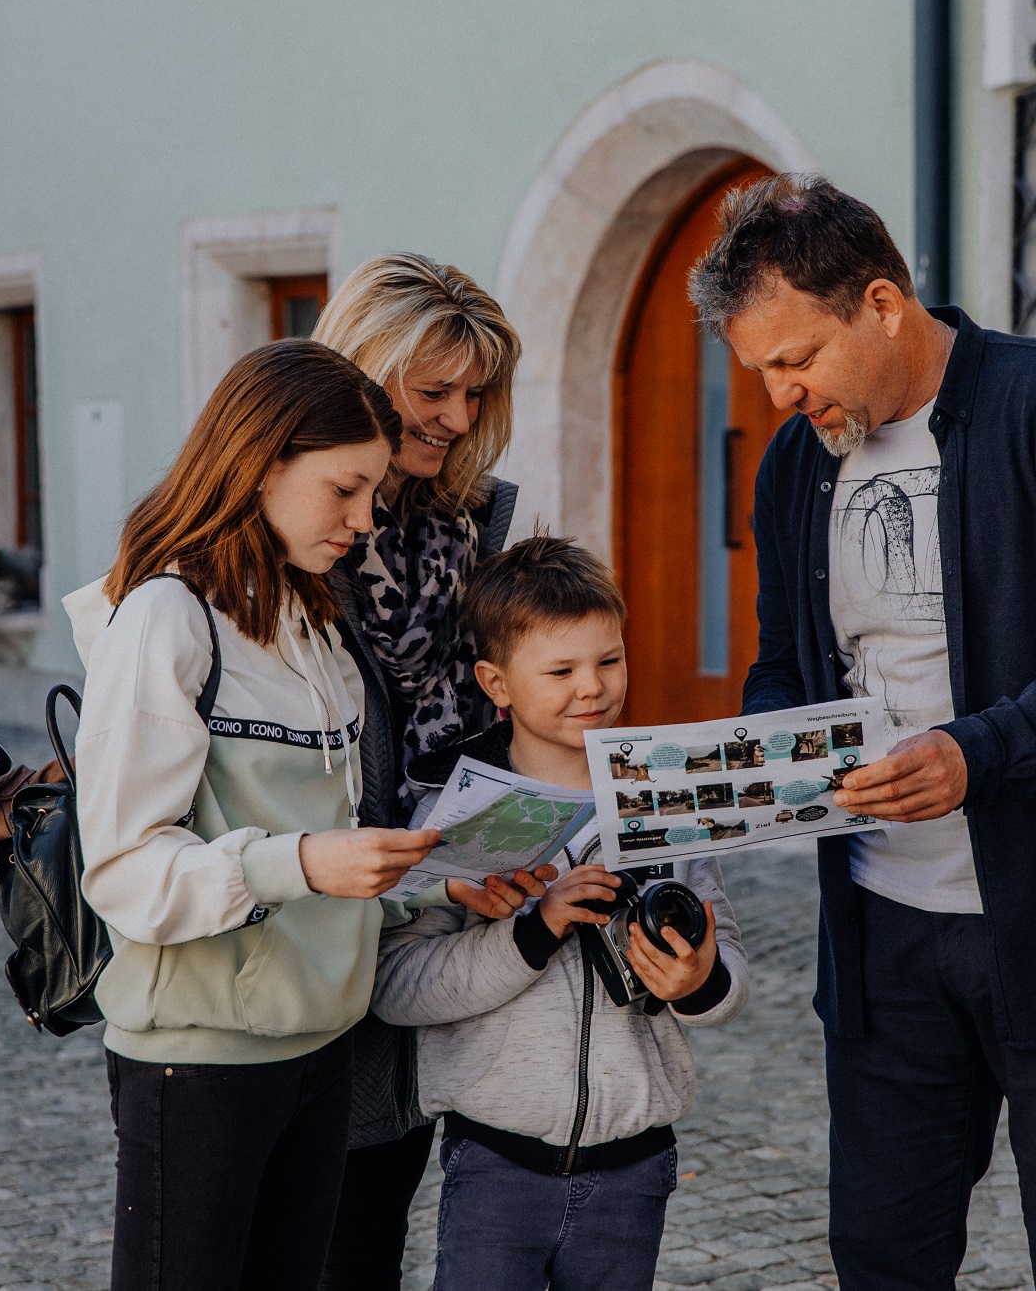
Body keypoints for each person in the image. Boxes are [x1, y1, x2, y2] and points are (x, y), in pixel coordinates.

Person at [687, 174, 1036, 1290]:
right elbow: (787, 666)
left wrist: (974, 752)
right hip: (882, 937)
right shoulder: (795, 464)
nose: (781, 392)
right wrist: (759, 760)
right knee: (881, 1257)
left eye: (795, 358)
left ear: (880, 303)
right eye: (759, 372)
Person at [62, 339, 442, 1291]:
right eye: (344, 490)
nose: (363, 522)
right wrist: (305, 863)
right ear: (263, 462)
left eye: (373, 496)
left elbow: (323, 850)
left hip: (319, 1048)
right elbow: (124, 873)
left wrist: (440, 889)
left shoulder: (310, 612)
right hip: (197, 1062)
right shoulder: (163, 618)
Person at [372, 537, 749, 1291]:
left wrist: (698, 977)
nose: (593, 687)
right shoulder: (450, 814)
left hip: (637, 1165)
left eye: (609, 660)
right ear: (495, 682)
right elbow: (397, 985)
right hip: (494, 1165)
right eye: (562, 670)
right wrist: (532, 932)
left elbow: (727, 965)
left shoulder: (662, 798)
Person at [311, 253, 545, 1290]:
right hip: (311, 922)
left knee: (377, 1215)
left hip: (435, 922)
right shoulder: (287, 539)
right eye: (431, 389)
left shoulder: (473, 531)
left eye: (473, 394)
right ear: (362, 373)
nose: (454, 417)